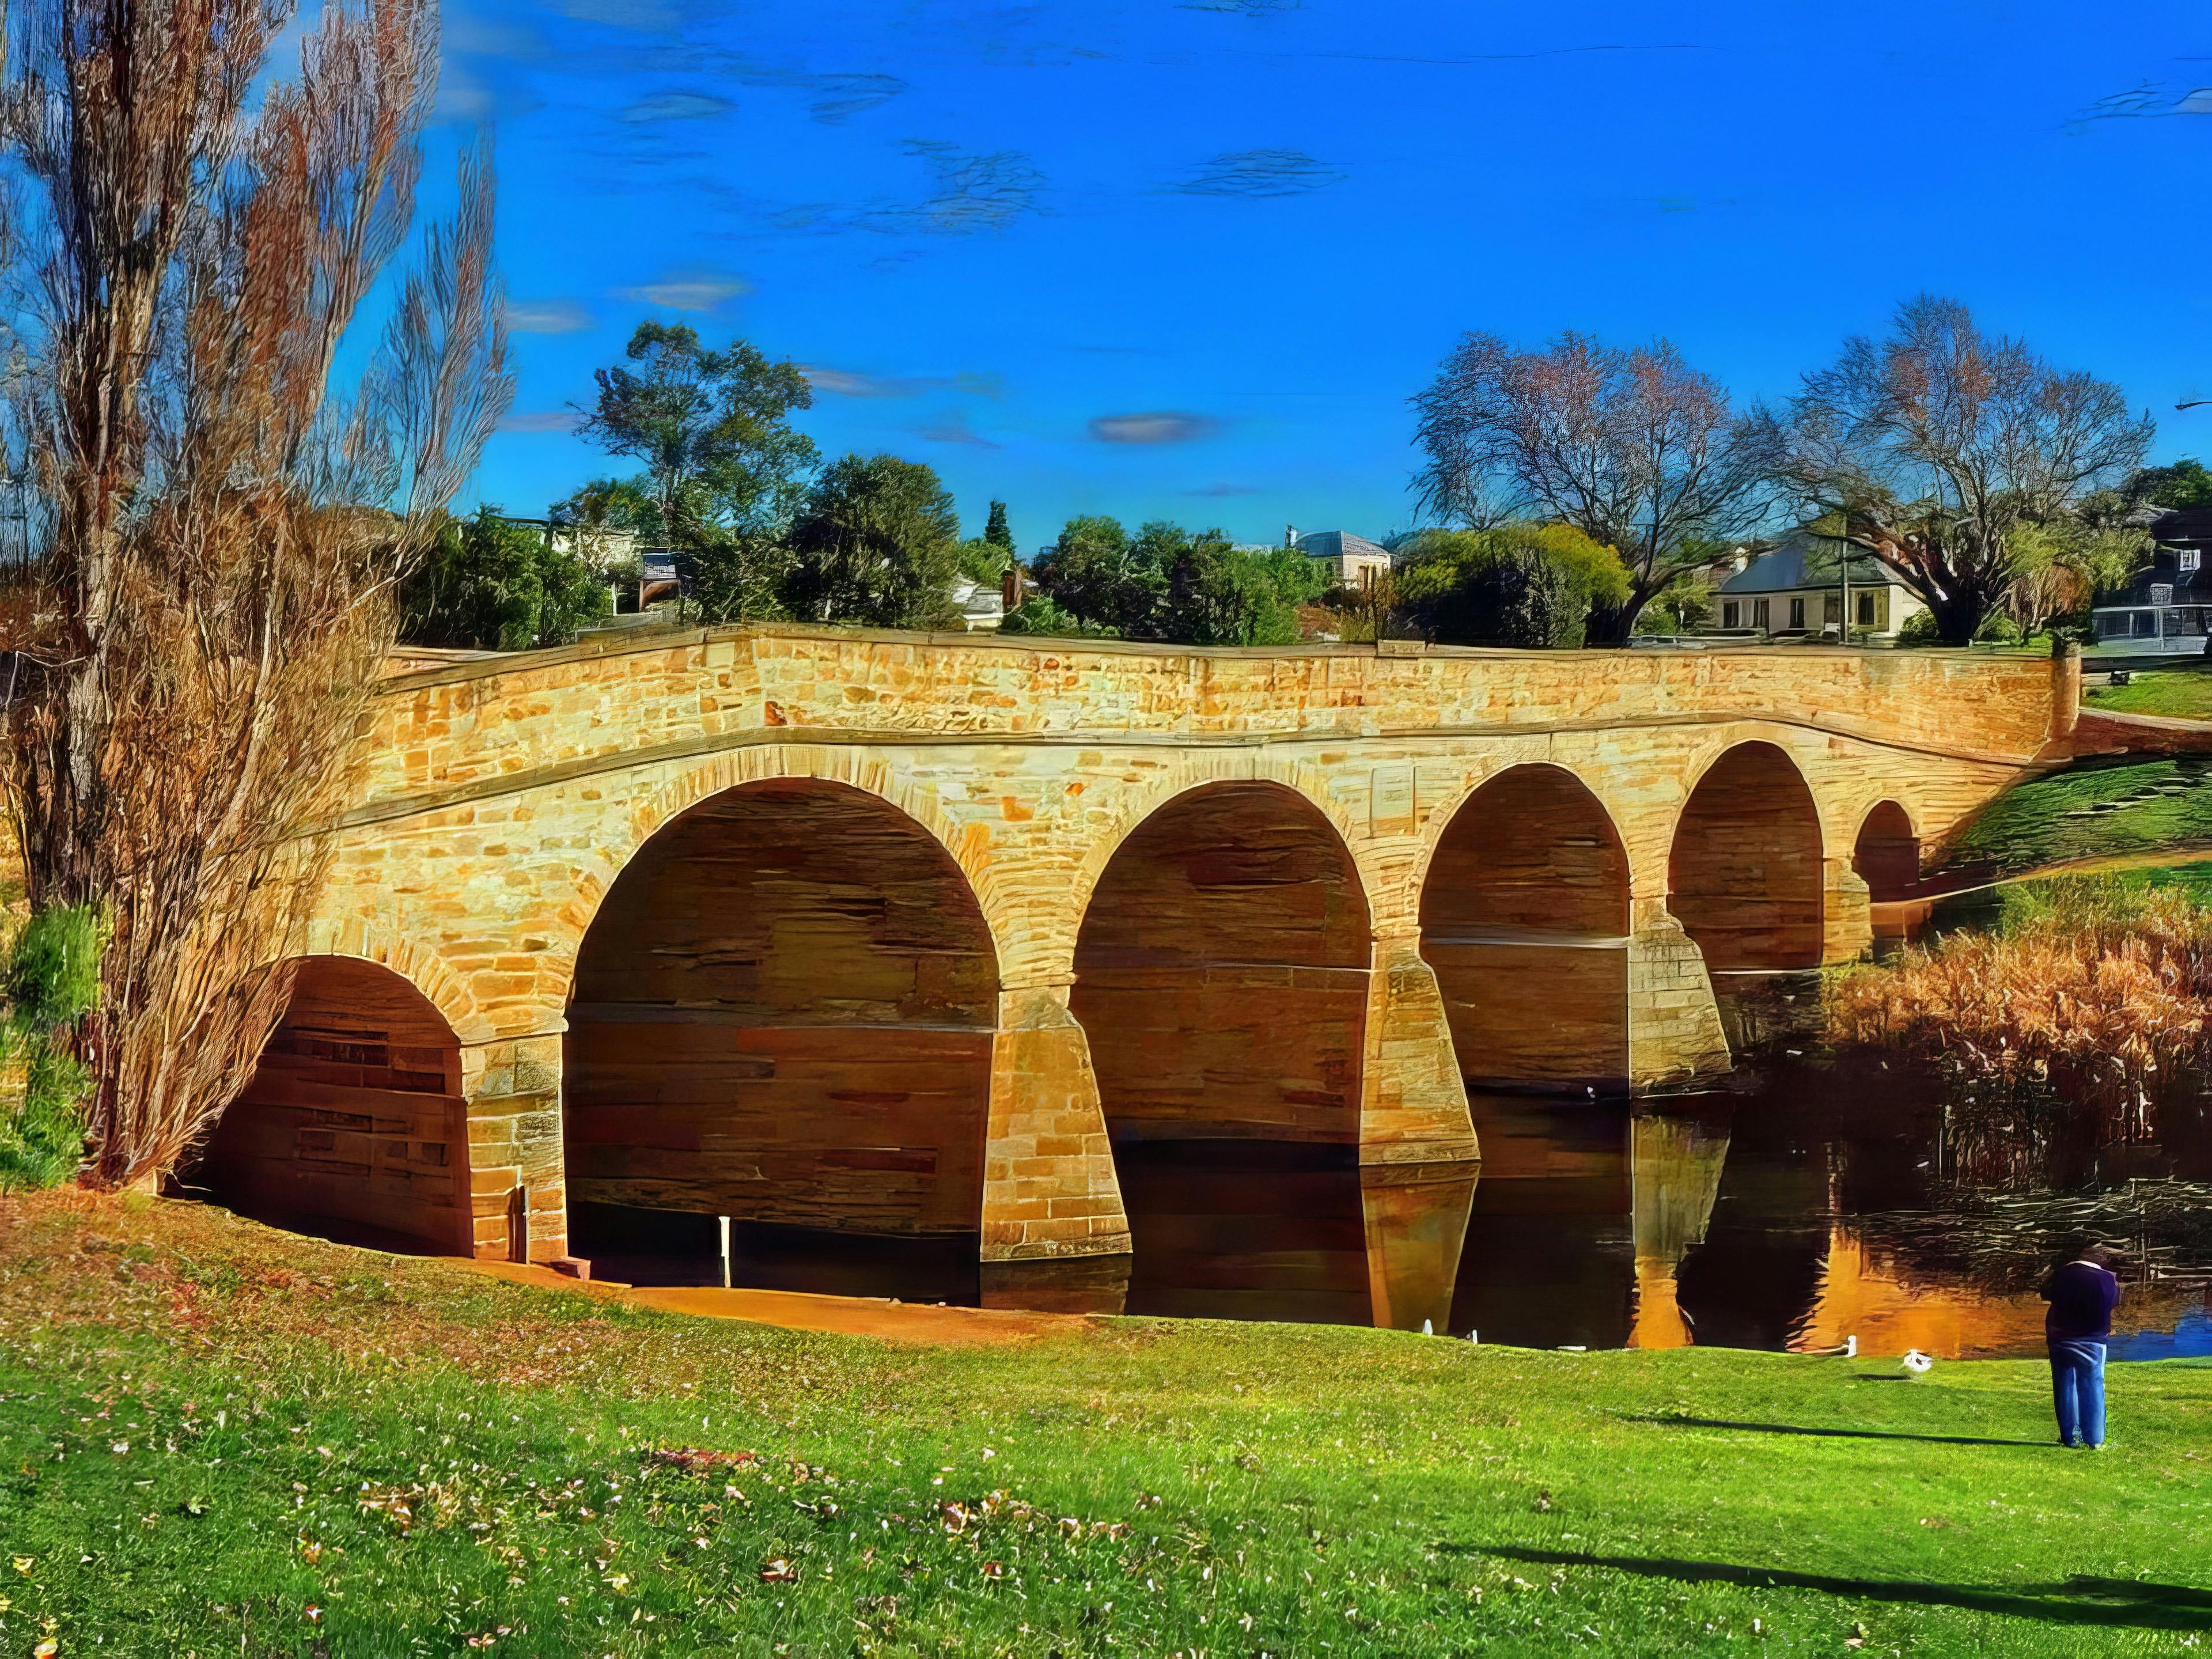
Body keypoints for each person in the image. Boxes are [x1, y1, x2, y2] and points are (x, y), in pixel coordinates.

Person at [2041, 1241, 2121, 1449]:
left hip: (2060, 1338)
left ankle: (2070, 1438)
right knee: (2092, 1385)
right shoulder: (2107, 1278)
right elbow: (2113, 1301)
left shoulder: (2059, 1275)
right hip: (2092, 1339)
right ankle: (2094, 1440)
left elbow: (2046, 1294)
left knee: (2064, 1387)